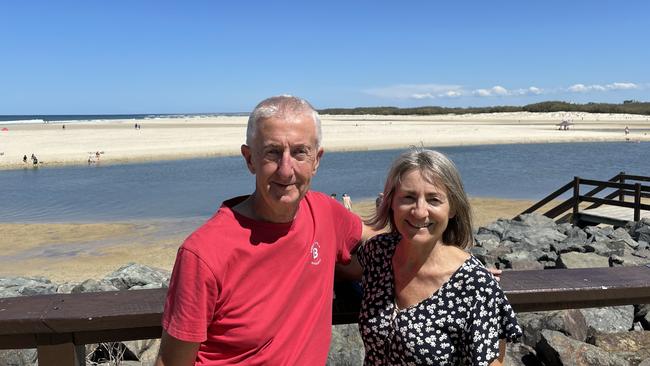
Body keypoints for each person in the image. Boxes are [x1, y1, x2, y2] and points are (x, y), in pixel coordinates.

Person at [155, 95, 374, 365]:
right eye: (272, 152)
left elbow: (382, 242)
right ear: (249, 159)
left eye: (299, 152)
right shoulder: (202, 253)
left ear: (316, 160)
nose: (286, 170)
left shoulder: (324, 212)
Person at [358, 148, 521, 365]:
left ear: (452, 208)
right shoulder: (378, 253)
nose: (420, 211)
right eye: (408, 197)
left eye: (433, 200)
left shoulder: (475, 285)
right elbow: (333, 268)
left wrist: (476, 278)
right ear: (391, 203)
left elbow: (492, 361)